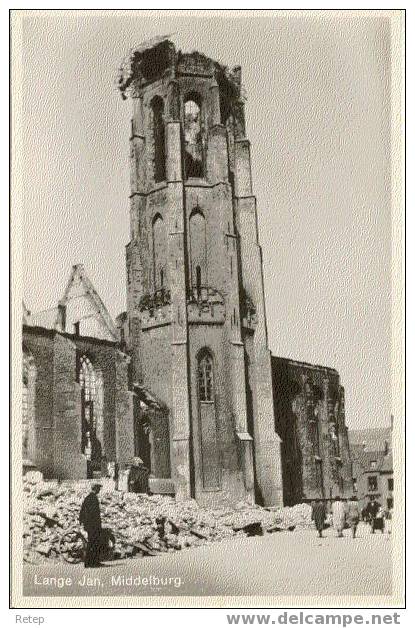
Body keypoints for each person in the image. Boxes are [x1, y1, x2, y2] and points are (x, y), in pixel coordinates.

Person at [79, 483, 102, 568]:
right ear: (95, 489)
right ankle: (93, 563)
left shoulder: (87, 498)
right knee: (94, 543)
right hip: (93, 525)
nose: (99, 490)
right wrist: (97, 525)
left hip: (89, 525)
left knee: (91, 543)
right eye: (99, 488)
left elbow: (82, 511)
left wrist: (82, 522)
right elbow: (94, 514)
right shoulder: (93, 498)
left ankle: (88, 563)